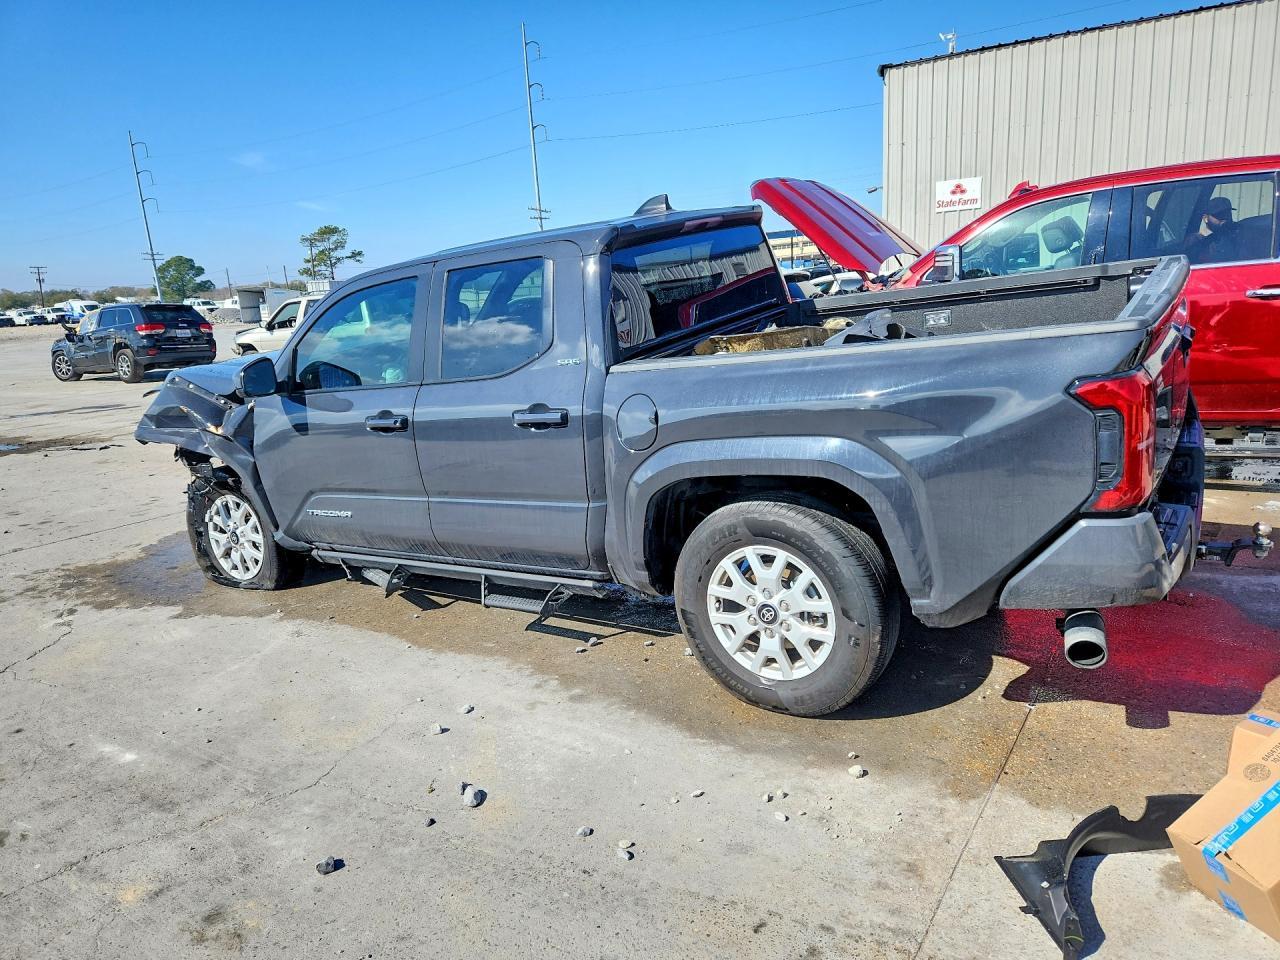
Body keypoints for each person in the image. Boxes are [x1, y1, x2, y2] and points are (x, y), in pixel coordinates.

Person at [1187, 196, 1240, 264]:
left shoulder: (1238, 234)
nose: (1225, 218)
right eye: (1219, 215)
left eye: (1228, 213)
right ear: (1205, 218)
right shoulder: (1195, 241)